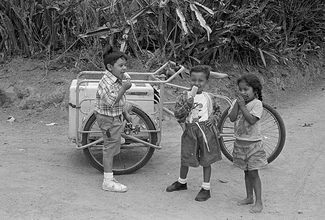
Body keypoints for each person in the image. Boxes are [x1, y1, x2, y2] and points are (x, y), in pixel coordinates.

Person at [166, 65, 222, 202]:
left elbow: (218, 112)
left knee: (206, 159)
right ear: (189, 80)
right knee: (186, 157)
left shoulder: (209, 97)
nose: (196, 83)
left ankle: (206, 188)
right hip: (189, 131)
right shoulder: (183, 96)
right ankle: (182, 182)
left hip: (205, 131)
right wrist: (187, 105)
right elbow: (178, 115)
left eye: (200, 81)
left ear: (206, 82)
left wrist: (213, 119)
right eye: (193, 80)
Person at [228, 74, 268, 213]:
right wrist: (237, 105)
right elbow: (232, 118)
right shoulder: (237, 102)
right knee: (246, 172)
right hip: (240, 144)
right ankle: (249, 197)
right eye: (241, 89)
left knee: (253, 173)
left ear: (254, 91)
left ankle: (259, 201)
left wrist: (242, 106)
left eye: (246, 89)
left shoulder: (257, 104)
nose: (243, 92)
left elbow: (251, 120)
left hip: (253, 145)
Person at [94, 46, 132, 192]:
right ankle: (108, 181)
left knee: (130, 107)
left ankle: (117, 137)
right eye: (121, 66)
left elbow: (126, 81)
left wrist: (124, 79)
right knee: (109, 149)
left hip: (115, 115)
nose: (124, 69)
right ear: (110, 67)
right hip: (108, 119)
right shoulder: (107, 83)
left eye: (125, 65)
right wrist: (124, 89)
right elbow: (111, 102)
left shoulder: (115, 77)